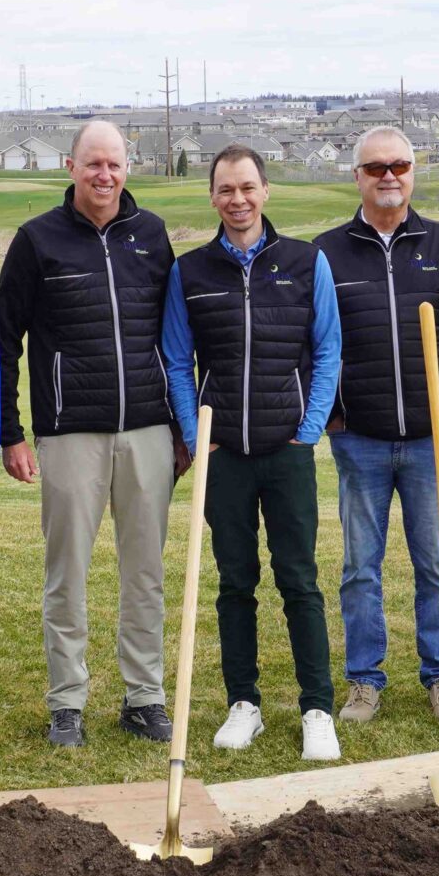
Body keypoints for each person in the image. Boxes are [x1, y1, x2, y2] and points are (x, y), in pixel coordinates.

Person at [0, 119, 180, 749]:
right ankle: (67, 701)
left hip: (149, 429)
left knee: (146, 572)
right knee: (66, 572)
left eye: (116, 164)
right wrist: (11, 433)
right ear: (71, 167)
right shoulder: (37, 240)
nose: (105, 175)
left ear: (128, 169)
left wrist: (180, 424)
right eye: (93, 164)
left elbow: (174, 337)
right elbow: (4, 340)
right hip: (69, 432)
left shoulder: (151, 236)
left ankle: (145, 695)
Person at [161, 145, 344, 760]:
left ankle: (317, 706)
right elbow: (177, 362)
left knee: (300, 581)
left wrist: (310, 427)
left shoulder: (305, 261)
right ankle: (246, 703)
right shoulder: (191, 272)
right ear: (211, 197)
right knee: (235, 582)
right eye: (225, 189)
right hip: (224, 456)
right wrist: (196, 436)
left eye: (247, 187)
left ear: (266, 191)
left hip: (287, 450)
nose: (237, 199)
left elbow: (327, 351)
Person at [312, 126, 439, 728]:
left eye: (400, 166)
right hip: (358, 438)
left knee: (436, 560)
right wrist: (330, 415)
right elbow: (315, 344)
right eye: (376, 167)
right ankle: (364, 681)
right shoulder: (327, 252)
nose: (389, 176)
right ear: (356, 175)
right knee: (361, 565)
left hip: (433, 438)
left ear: (414, 172)